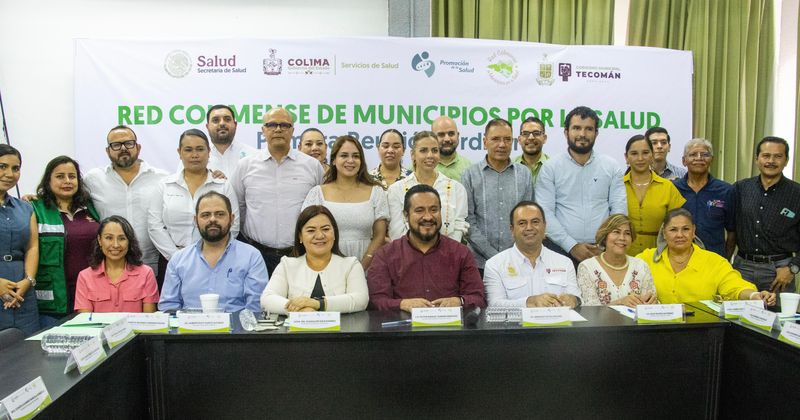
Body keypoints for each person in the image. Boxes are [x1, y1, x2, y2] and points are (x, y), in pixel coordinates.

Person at [231, 107, 324, 276]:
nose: (278, 129)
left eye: (284, 125)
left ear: (293, 131)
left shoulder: (312, 166)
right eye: (272, 124)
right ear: (263, 130)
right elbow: (238, 208)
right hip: (256, 255)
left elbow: (321, 209)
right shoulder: (245, 166)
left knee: (299, 302)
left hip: (300, 254)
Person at [368, 184, 486, 311]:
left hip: (451, 328)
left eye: (434, 210)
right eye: (419, 210)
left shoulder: (461, 253)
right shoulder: (385, 255)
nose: (428, 217)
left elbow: (478, 298)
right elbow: (376, 301)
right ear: (405, 215)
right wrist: (402, 304)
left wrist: (460, 301)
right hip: (403, 328)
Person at [536, 106, 626, 265]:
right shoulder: (551, 167)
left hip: (602, 251)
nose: (582, 134)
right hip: (559, 251)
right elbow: (546, 213)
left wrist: (605, 244)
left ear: (596, 133)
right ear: (566, 132)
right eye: (576, 128)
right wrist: (572, 246)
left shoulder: (611, 166)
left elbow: (619, 210)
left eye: (589, 129)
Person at [149, 129, 240, 285]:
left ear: (209, 151)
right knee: (172, 307)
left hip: (215, 260)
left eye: (200, 149)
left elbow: (234, 223)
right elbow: (154, 225)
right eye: (188, 150)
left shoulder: (223, 185)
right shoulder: (165, 185)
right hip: (171, 260)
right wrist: (176, 257)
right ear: (179, 152)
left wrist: (210, 255)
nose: (195, 155)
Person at [637, 208, 775, 305]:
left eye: (686, 229)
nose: (680, 235)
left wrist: (754, 295)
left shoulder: (714, 261)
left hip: (701, 330)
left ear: (693, 232)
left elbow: (734, 286)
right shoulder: (646, 258)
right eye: (673, 230)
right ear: (664, 233)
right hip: (655, 329)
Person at [158, 191, 268, 313]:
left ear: (231, 219)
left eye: (220, 214)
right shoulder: (179, 260)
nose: (212, 219)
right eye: (205, 215)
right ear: (195, 220)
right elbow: (168, 308)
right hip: (190, 329)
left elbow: (256, 308)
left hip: (237, 330)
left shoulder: (251, 256)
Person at [84, 125, 168, 277]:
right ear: (107, 151)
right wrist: (35, 198)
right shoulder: (93, 179)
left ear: (138, 147)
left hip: (153, 265)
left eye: (128, 143)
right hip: (109, 269)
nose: (123, 148)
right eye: (116, 145)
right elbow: (66, 195)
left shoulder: (162, 179)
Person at [32, 156, 100, 326]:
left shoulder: (90, 207)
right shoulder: (35, 209)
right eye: (60, 176)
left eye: (72, 176)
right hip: (53, 299)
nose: (67, 181)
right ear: (48, 180)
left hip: (91, 294)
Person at [261, 206, 368, 314]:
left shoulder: (351, 264)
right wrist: (301, 310)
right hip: (296, 330)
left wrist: (316, 304)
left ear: (334, 233)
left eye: (326, 229)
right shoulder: (287, 265)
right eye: (311, 230)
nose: (320, 236)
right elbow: (267, 299)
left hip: (344, 330)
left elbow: (360, 300)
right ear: (300, 237)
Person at [302, 135, 387, 269]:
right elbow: (308, 232)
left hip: (368, 266)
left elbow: (380, 235)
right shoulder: (317, 193)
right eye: (344, 155)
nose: (350, 160)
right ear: (334, 160)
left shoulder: (376, 192)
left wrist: (364, 264)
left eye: (355, 156)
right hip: (326, 267)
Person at [462, 118, 534, 272]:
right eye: (495, 139)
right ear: (484, 141)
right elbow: (468, 221)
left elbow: (529, 220)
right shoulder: (470, 175)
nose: (502, 144)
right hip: (479, 264)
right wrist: (495, 256)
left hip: (518, 262)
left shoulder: (524, 174)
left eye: (507, 139)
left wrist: (512, 256)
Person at [733, 136, 800, 293]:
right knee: (738, 317)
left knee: (780, 317)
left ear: (786, 160)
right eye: (766, 156)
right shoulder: (740, 189)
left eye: (778, 156)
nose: (771, 161)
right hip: (743, 268)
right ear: (757, 159)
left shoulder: (796, 193)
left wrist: (793, 268)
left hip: (780, 271)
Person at [484, 201, 581, 308]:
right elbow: (494, 305)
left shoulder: (564, 262)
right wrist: (529, 302)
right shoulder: (495, 265)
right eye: (522, 223)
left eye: (535, 222)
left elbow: (577, 298)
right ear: (512, 230)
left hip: (557, 323)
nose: (529, 228)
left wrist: (573, 300)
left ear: (545, 226)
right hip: (515, 324)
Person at [387, 131, 468, 241]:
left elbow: (459, 228)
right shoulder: (396, 190)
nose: (430, 155)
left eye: (434, 150)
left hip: (447, 255)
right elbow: (396, 233)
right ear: (413, 155)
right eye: (423, 150)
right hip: (407, 256)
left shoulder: (457, 189)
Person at [75, 216, 159, 313]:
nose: (115, 245)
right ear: (99, 240)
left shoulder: (146, 273)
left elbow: (148, 321)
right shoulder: (85, 277)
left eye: (122, 238)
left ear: (129, 241)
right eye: (109, 238)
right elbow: (86, 323)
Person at [623, 135, 685, 256]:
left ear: (652, 156)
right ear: (626, 157)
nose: (640, 158)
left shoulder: (667, 187)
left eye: (645, 153)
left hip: (659, 253)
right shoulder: (617, 186)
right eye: (634, 153)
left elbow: (678, 224)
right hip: (623, 253)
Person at [0, 145, 39, 336]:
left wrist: (28, 281)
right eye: (2, 166)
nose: (9, 174)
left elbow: (32, 247)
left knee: (27, 354)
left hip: (23, 292)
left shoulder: (25, 208)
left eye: (15, 168)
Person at [673, 138, 735, 258]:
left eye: (705, 154)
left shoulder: (726, 190)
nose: (699, 158)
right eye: (693, 154)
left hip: (714, 259)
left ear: (711, 160)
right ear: (684, 161)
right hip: (679, 258)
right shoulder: (672, 189)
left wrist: (725, 260)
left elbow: (732, 232)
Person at [577, 214, 657, 307]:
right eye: (616, 232)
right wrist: (620, 302)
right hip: (601, 322)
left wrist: (651, 303)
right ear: (605, 236)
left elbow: (649, 305)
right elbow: (590, 310)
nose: (622, 238)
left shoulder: (641, 266)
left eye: (627, 233)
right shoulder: (587, 267)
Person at [203, 104, 258, 178]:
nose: (222, 123)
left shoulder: (253, 156)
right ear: (207, 126)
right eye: (216, 120)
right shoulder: (197, 157)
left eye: (227, 119)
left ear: (235, 125)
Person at [432, 116, 472, 181]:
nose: (447, 139)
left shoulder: (469, 168)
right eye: (441, 134)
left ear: (458, 136)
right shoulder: (419, 167)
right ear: (432, 138)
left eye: (451, 134)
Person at [513, 116, 549, 186]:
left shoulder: (554, 167)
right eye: (525, 133)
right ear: (519, 140)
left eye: (536, 133)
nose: (531, 137)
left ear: (544, 138)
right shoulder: (510, 166)